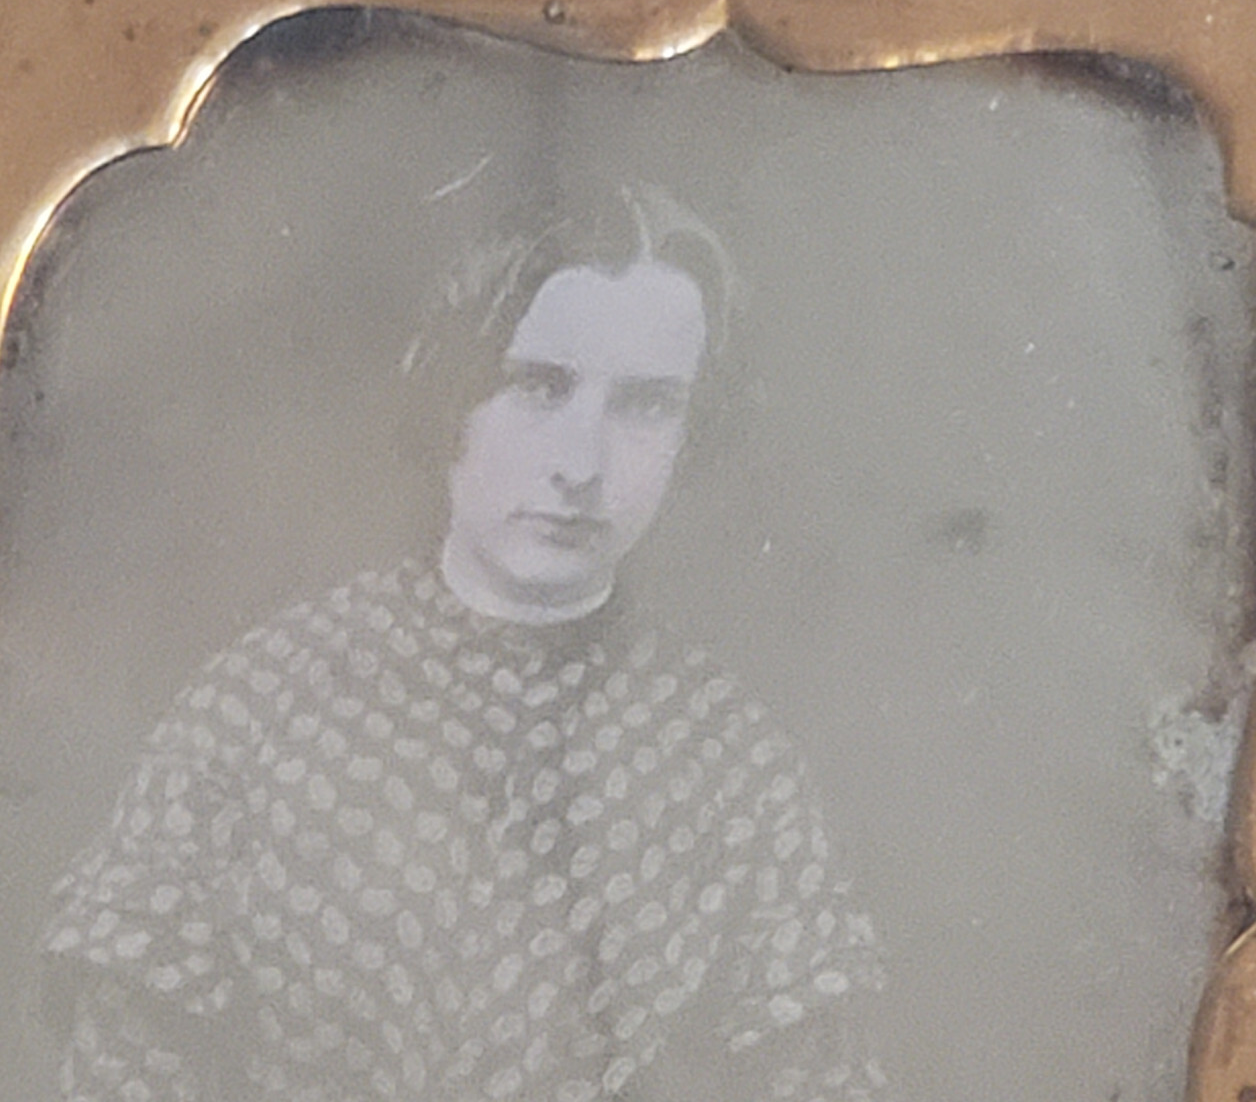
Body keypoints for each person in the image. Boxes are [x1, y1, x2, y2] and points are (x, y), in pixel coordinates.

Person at [43, 184, 889, 1101]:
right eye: (538, 387)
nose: (581, 464)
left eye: (645, 406)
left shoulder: (732, 761)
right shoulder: (258, 708)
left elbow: (821, 1083)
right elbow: (124, 1066)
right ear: (454, 388)